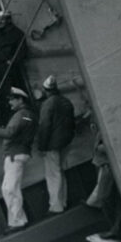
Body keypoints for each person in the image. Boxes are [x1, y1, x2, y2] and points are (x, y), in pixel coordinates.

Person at [0, 86, 37, 234]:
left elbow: (10, 132)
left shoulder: (23, 115)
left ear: (20, 100)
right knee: (8, 189)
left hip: (15, 155)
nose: (10, 103)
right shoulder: (23, 114)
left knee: (10, 189)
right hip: (13, 155)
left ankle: (18, 222)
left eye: (12, 100)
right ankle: (16, 221)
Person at [35, 75, 75, 214]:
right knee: (60, 171)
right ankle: (63, 201)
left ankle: (56, 206)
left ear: (46, 90)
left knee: (53, 174)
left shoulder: (48, 104)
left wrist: (42, 147)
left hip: (52, 144)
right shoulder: (66, 101)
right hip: (66, 142)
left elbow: (44, 126)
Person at [86, 127, 121, 240]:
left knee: (104, 197)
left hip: (108, 165)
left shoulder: (105, 126)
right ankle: (119, 228)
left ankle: (116, 228)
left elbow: (111, 145)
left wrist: (99, 147)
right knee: (116, 199)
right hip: (107, 164)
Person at [0, 10, 28, 124]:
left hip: (10, 71)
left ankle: (21, 120)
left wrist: (12, 61)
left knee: (13, 94)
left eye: (2, 20)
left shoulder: (17, 34)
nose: (0, 22)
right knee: (2, 95)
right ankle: (8, 121)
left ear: (9, 20)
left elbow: (23, 51)